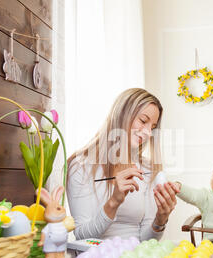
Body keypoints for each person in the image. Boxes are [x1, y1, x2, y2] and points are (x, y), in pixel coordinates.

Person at [66, 88, 178, 241]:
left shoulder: (147, 169)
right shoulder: (80, 165)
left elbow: (146, 240)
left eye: (152, 127)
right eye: (143, 121)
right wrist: (114, 202)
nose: (148, 133)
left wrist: (160, 220)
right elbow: (82, 236)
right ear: (121, 115)